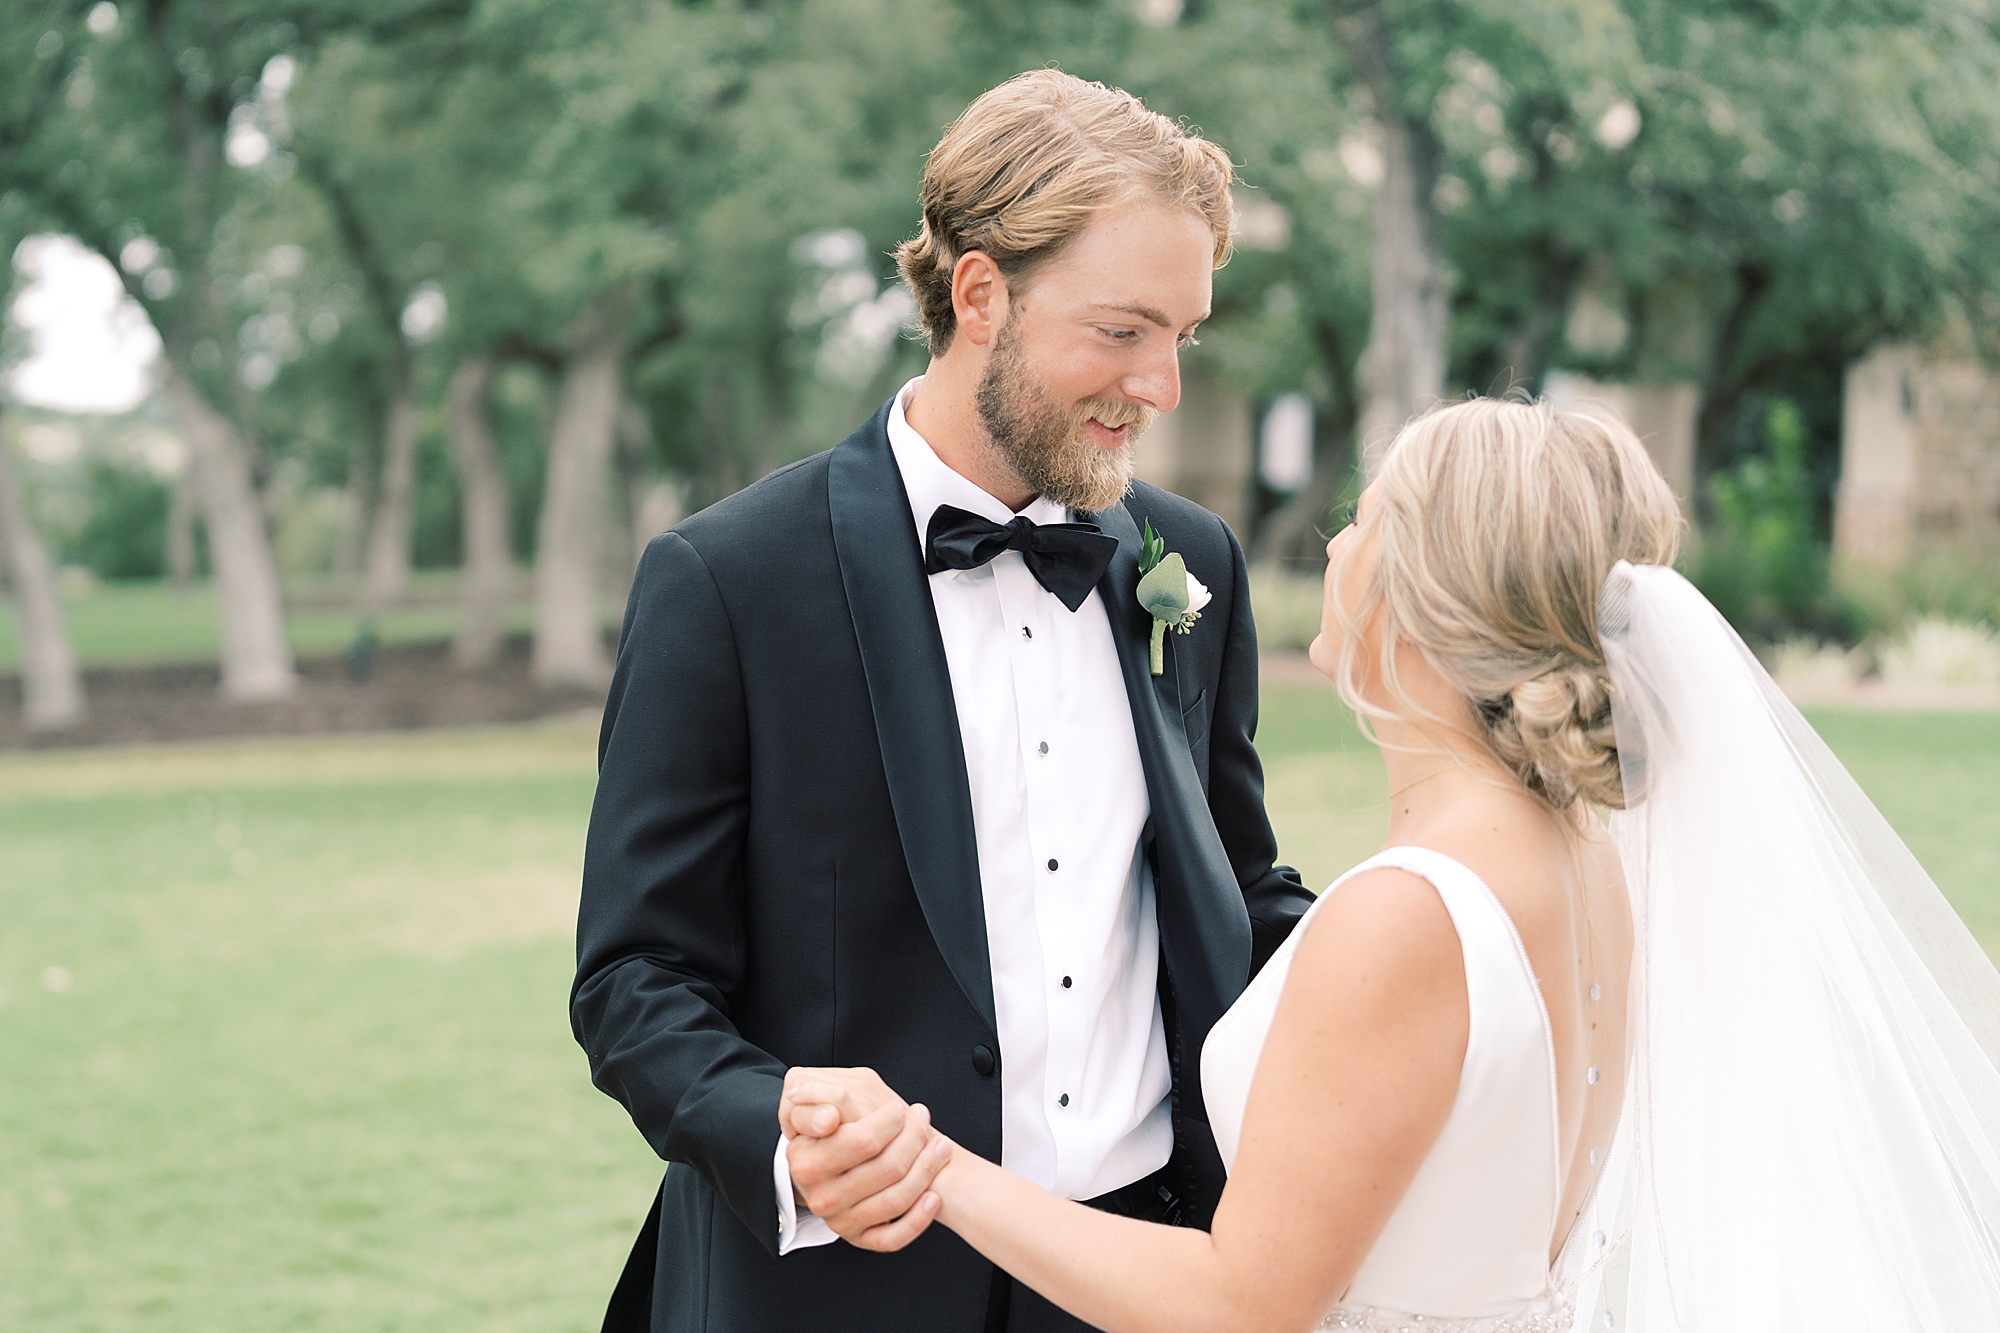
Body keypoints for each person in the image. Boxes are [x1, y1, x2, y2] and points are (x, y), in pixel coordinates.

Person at [789, 397, 2000, 1331]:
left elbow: (1237, 1304)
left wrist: (934, 1166)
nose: (1333, 540)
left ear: (1422, 601)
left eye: (1365, 519)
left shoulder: (1409, 915)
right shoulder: (1584, 862)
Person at [571, 70, 1314, 1333]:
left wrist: (1430, 945)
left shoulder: (1190, 564)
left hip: (1139, 1272)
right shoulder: (727, 579)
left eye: (1182, 337)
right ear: (980, 294)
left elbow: (1235, 890)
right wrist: (781, 1136)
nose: (1160, 387)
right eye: (1123, 330)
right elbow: (635, 977)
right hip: (832, 1293)